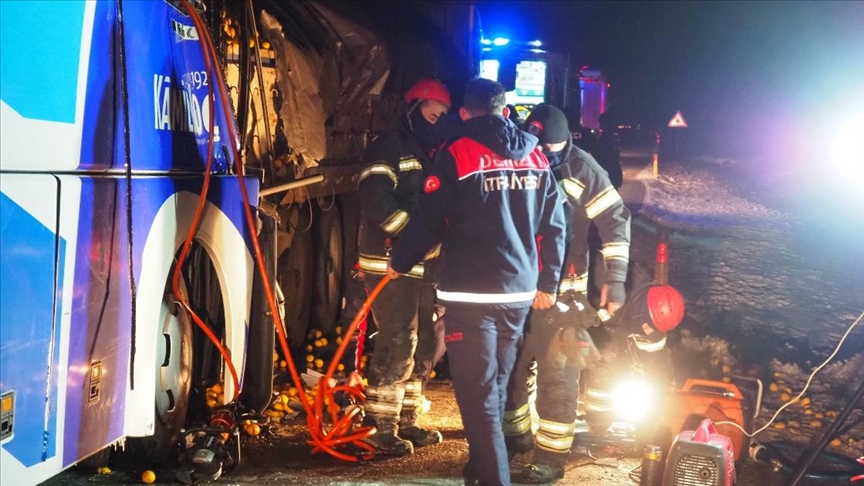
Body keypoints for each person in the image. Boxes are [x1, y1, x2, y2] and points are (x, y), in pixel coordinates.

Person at [388, 78, 567, 486]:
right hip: (520, 293)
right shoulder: (536, 157)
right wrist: (549, 283)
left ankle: (492, 478)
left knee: (478, 397)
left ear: (465, 113)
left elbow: (430, 220)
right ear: (505, 111)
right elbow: (556, 225)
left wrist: (401, 260)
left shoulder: (457, 153)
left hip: (471, 295)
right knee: (496, 387)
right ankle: (479, 472)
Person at [503, 104, 632, 483]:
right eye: (546, 149)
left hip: (567, 296)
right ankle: (515, 435)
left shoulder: (583, 168)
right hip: (518, 288)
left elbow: (615, 222)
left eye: (558, 149)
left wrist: (617, 278)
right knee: (511, 366)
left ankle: (551, 457)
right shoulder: (515, 159)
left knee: (559, 375)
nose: (551, 157)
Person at [356, 78, 451, 456]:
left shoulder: (431, 152)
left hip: (422, 265)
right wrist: (413, 242)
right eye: (431, 113)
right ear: (412, 109)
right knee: (399, 340)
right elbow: (377, 204)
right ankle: (380, 427)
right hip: (389, 262)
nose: (436, 121)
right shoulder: (388, 147)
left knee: (425, 343)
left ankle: (408, 420)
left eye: (442, 116)